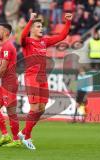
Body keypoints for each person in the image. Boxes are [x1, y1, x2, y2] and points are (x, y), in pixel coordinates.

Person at [19, 12, 72, 150]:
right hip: (32, 77)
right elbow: (22, 36)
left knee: (42, 109)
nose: (41, 28)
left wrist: (68, 22)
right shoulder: (27, 42)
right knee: (35, 108)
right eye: (38, 26)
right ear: (31, 29)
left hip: (42, 77)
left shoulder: (44, 42)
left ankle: (24, 132)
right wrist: (30, 20)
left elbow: (62, 36)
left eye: (42, 26)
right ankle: (27, 137)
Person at [0, 23, 20, 147]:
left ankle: (16, 140)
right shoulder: (5, 46)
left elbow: (3, 67)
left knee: (11, 113)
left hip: (10, 84)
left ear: (6, 32)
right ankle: (5, 135)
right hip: (5, 84)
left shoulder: (7, 47)